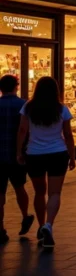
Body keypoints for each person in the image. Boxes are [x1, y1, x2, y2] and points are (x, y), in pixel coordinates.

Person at [16, 77, 75, 249]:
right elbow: (68, 135)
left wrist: (19, 152)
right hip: (58, 153)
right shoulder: (62, 109)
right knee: (55, 192)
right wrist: (72, 156)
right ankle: (49, 224)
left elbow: (22, 131)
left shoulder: (28, 107)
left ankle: (41, 226)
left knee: (39, 192)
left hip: (34, 154)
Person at [0, 75, 33, 244]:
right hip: (17, 155)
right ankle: (25, 215)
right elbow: (27, 130)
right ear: (16, 87)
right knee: (20, 187)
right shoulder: (24, 105)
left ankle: (0, 228)